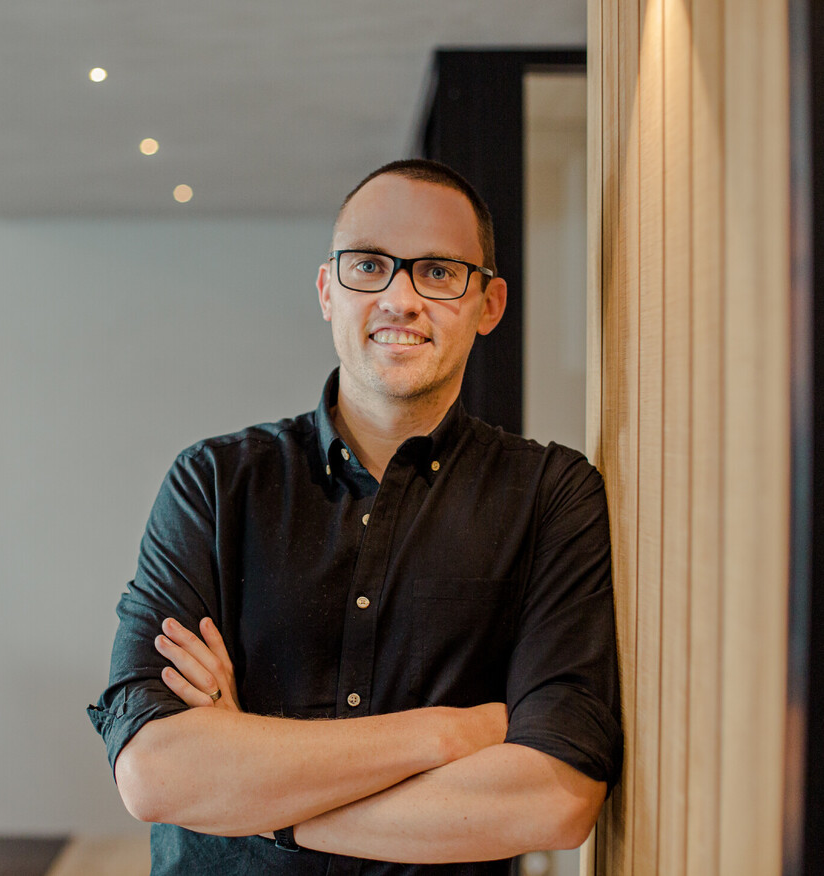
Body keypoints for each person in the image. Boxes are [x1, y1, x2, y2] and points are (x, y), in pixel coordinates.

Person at [88, 159, 622, 875]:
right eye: (369, 265)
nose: (400, 298)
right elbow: (156, 774)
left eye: (438, 271)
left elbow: (551, 802)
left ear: (488, 305)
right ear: (327, 292)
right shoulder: (214, 484)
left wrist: (253, 788)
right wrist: (448, 733)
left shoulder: (552, 496)